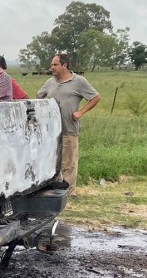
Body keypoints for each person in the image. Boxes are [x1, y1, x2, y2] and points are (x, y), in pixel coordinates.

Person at [37, 53, 101, 196]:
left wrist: (81, 112)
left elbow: (96, 98)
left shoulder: (79, 81)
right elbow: (39, 96)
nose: (52, 67)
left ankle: (67, 192)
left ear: (64, 65)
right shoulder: (50, 82)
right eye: (52, 65)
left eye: (55, 65)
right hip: (50, 131)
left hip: (68, 128)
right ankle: (53, 189)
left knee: (68, 162)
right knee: (52, 162)